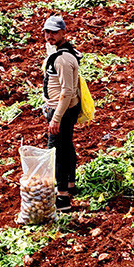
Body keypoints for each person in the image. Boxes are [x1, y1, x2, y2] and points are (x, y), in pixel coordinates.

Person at [41, 15, 82, 212]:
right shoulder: (62, 52)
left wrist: (55, 118)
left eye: (54, 32)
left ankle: (63, 198)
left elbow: (67, 92)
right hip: (64, 109)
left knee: (57, 153)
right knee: (66, 146)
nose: (50, 36)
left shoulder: (63, 60)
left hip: (62, 111)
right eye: (47, 32)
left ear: (63, 32)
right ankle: (71, 185)